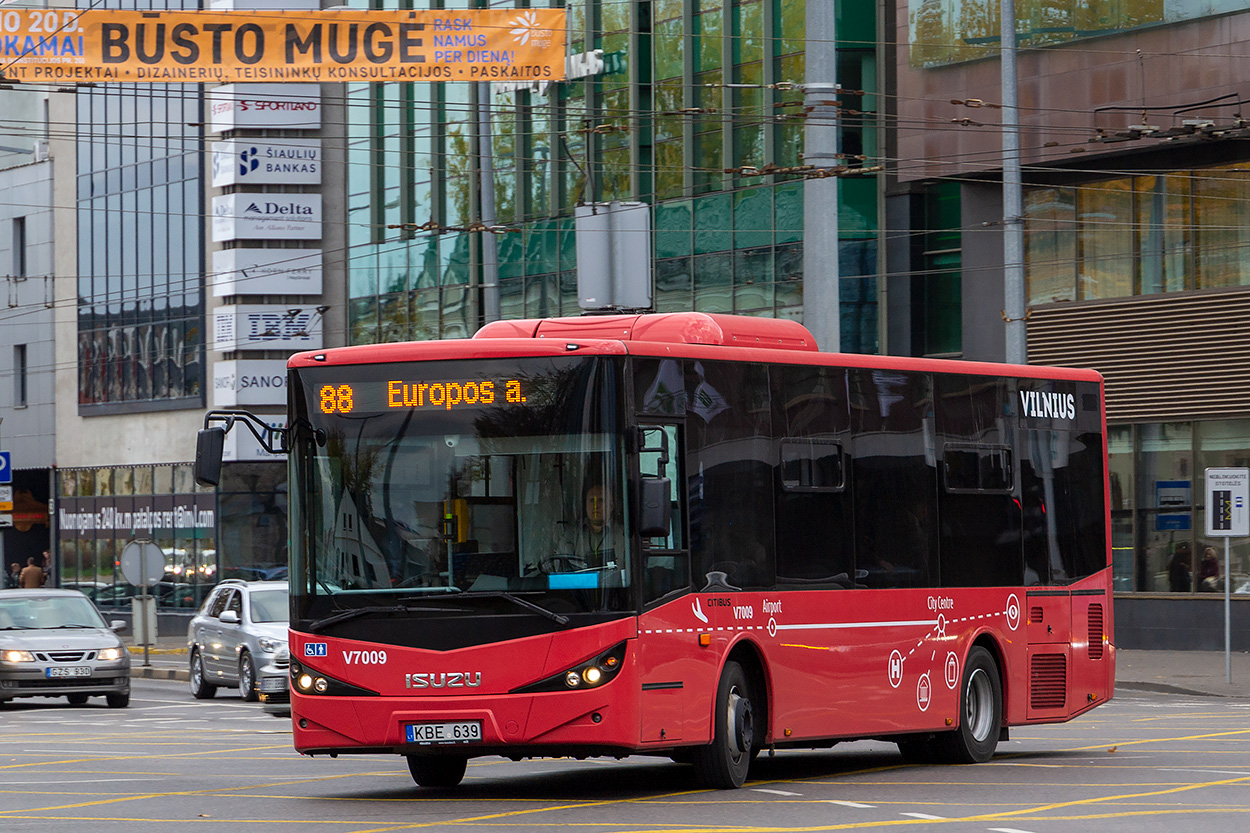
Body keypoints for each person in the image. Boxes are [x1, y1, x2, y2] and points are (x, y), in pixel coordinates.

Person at [549, 479, 616, 572]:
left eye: (601, 500)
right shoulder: (571, 534)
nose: (595, 506)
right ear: (586, 505)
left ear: (611, 506)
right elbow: (562, 565)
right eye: (592, 500)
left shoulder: (624, 534)